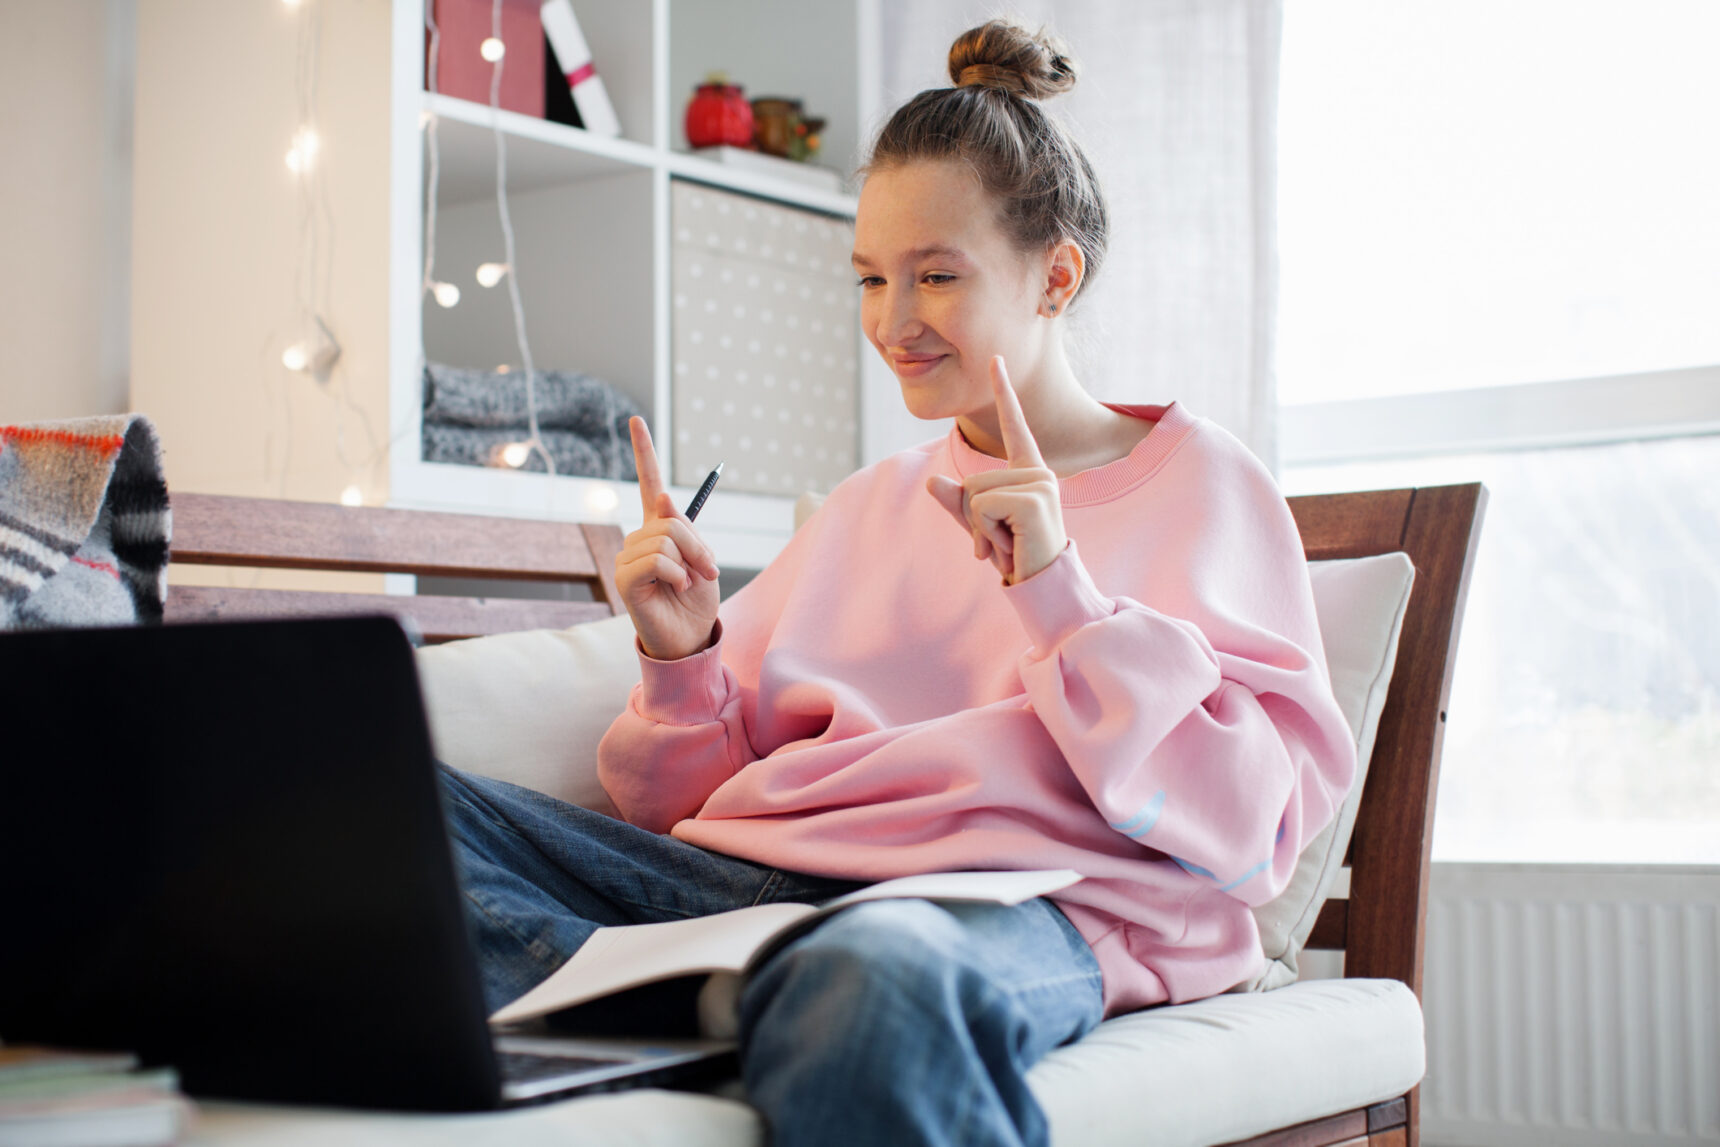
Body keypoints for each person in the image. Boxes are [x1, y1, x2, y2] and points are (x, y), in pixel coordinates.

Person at [439, 18, 1356, 1147]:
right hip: (749, 894)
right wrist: (681, 659)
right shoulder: (873, 502)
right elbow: (682, 808)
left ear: (1053, 276)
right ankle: (741, 998)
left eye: (934, 275)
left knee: (871, 974)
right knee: (377, 805)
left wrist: (1060, 596)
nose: (890, 321)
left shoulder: (1205, 485)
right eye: (870, 276)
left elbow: (1253, 828)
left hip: (1016, 910)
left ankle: (740, 1002)